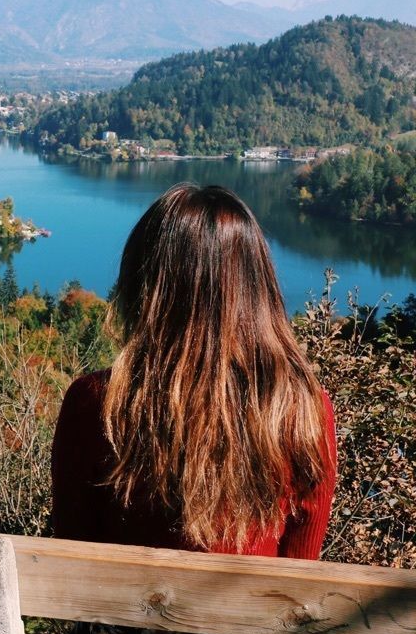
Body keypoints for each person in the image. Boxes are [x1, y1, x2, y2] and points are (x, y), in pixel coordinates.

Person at [52, 183, 336, 570]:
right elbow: (301, 575)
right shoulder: (303, 410)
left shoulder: (94, 403)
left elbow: (74, 553)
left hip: (125, 626)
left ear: (143, 284)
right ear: (258, 285)